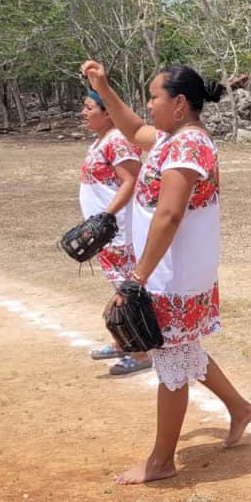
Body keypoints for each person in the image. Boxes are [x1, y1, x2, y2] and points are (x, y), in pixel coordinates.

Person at [81, 59, 251, 484]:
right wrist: (103, 86)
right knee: (180, 350)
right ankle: (240, 408)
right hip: (171, 271)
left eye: (154, 97)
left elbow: (170, 214)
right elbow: (130, 127)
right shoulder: (171, 139)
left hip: (172, 275)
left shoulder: (188, 146)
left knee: (171, 360)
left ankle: (161, 461)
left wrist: (136, 277)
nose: (147, 104)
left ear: (179, 104)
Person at [77, 90, 153, 376]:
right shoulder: (102, 140)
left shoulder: (119, 140)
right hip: (106, 233)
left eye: (88, 108)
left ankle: (140, 352)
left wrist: (107, 216)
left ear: (107, 112)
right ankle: (124, 341)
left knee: (127, 290)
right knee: (119, 288)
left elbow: (131, 180)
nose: (83, 113)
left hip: (119, 231)